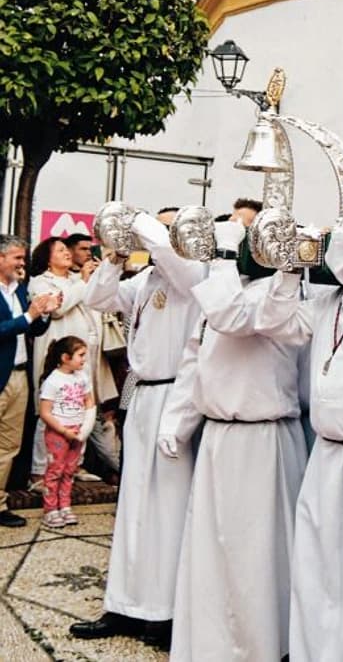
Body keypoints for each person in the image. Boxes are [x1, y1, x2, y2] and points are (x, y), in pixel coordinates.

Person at [256, 206, 343, 662]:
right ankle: (308, 651)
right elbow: (275, 322)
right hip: (324, 451)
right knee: (315, 562)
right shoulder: (326, 304)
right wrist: (288, 272)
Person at [167, 218, 308, 662]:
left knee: (256, 556)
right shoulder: (221, 293)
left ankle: (263, 648)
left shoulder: (281, 297)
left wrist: (224, 258)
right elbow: (196, 361)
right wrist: (177, 422)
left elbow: (234, 319)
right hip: (219, 439)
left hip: (263, 441)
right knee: (214, 551)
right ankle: (211, 645)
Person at [72, 207, 205, 649]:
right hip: (143, 394)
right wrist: (113, 255)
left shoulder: (193, 275)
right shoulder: (146, 281)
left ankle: (164, 612)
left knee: (169, 506)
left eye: (165, 230)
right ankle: (125, 604)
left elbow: (183, 271)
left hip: (176, 397)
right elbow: (96, 298)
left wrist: (153, 233)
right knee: (134, 505)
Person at [27, 236, 115, 486]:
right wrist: (84, 282)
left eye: (67, 249)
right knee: (53, 411)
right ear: (47, 256)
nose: (67, 253)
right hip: (58, 357)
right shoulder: (40, 282)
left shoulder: (77, 280)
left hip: (84, 357)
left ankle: (73, 465)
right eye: (61, 250)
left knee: (79, 410)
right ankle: (39, 471)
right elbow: (57, 308)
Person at [0, 235, 57, 527]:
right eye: (17, 258)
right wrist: (28, 316)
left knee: (9, 445)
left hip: (20, 375)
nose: (23, 263)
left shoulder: (19, 290)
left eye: (23, 258)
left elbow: (31, 328)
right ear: (0, 259)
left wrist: (44, 313)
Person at [38, 335, 95, 528]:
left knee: (70, 470)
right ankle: (50, 509)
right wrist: (63, 430)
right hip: (58, 433)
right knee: (55, 470)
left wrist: (85, 426)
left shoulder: (82, 377)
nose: (84, 359)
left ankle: (65, 506)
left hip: (78, 432)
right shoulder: (53, 381)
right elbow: (45, 412)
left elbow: (89, 400)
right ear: (65, 357)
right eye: (80, 355)